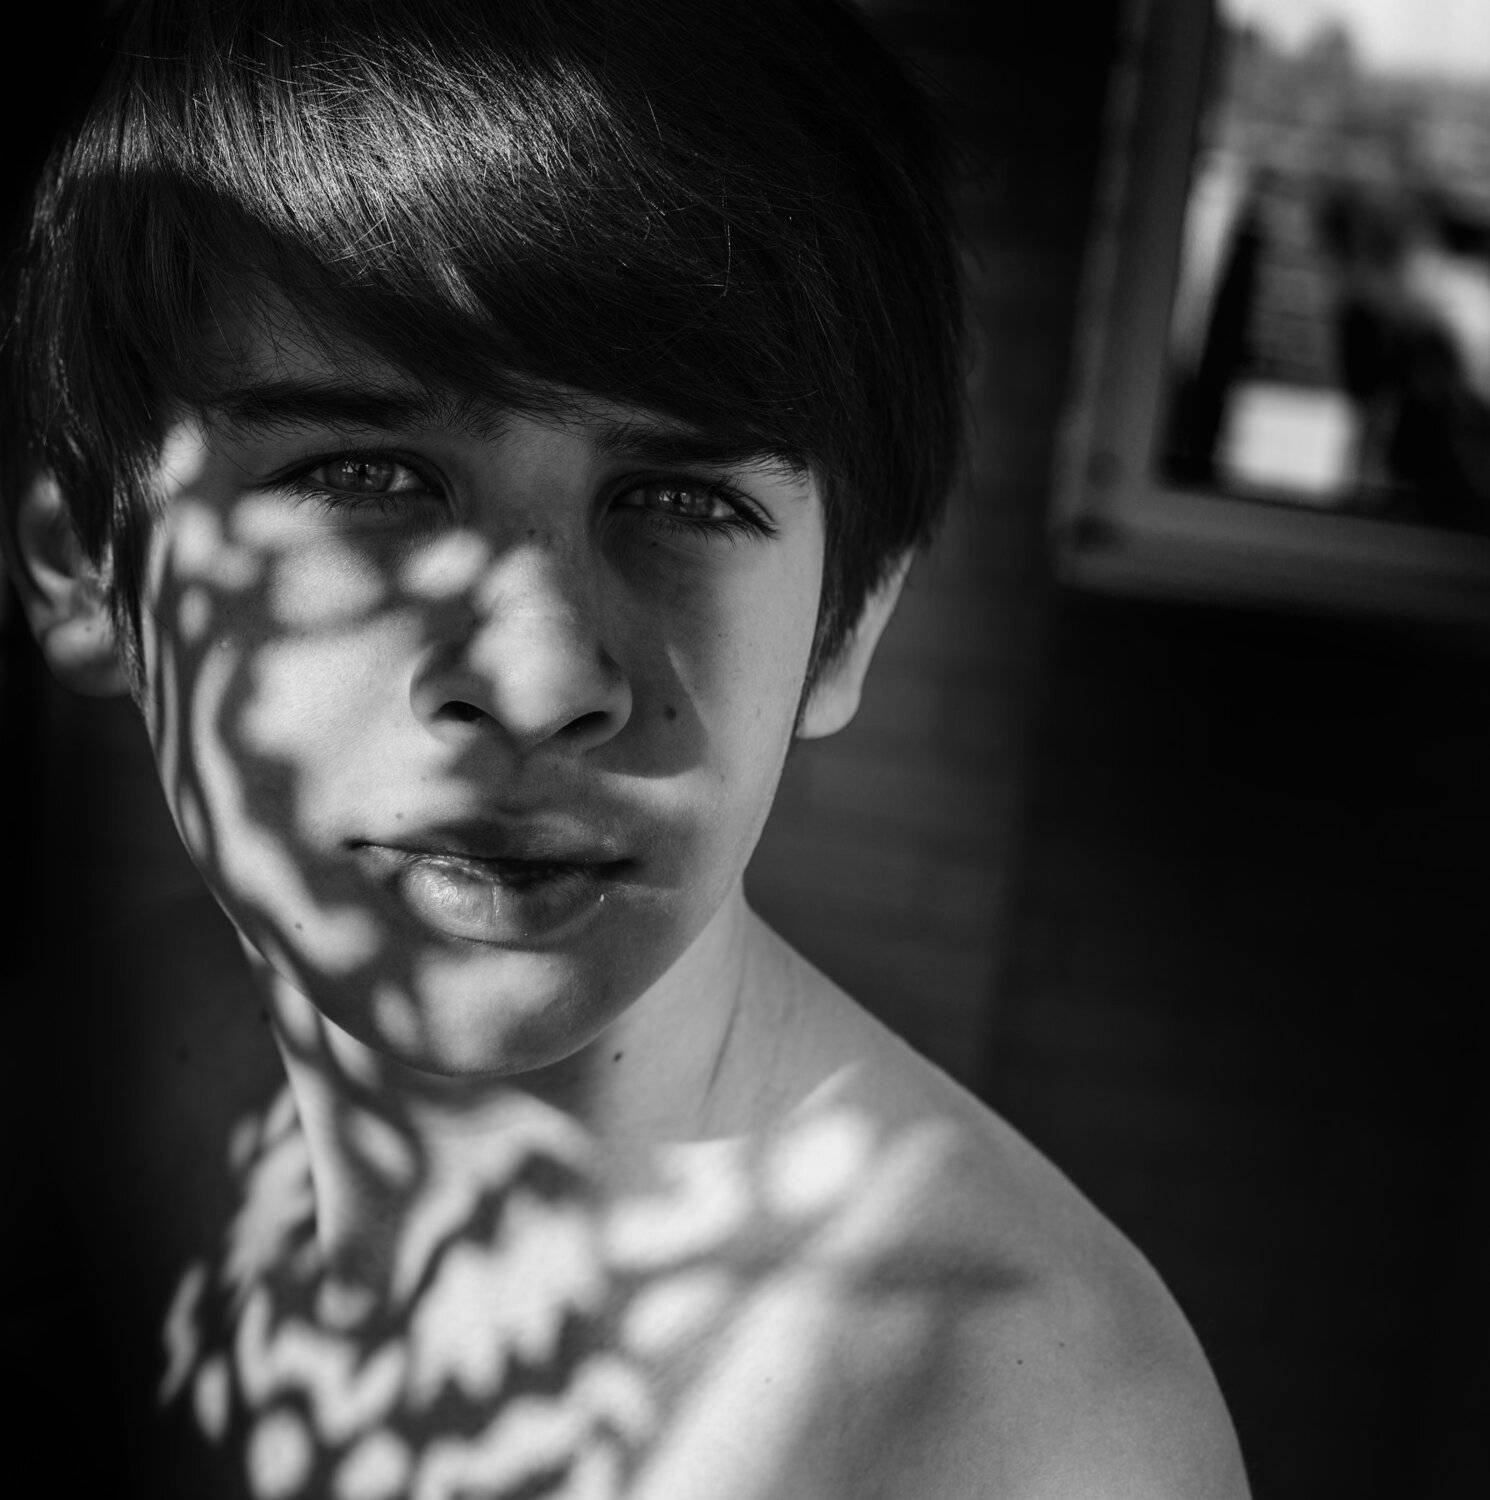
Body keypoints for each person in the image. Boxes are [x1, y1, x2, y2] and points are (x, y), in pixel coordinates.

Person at [1, 1, 1250, 1495]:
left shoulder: (1018, 1426)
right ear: (84, 568)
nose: (537, 679)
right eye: (365, 476)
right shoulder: (104, 1089)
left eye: (681, 499)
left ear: (844, 626)